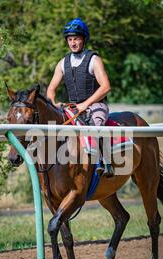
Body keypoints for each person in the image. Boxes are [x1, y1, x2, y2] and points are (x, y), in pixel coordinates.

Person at [47, 17, 114, 177]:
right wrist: (54, 103)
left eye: (76, 38)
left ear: (84, 39)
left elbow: (106, 87)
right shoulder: (62, 63)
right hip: (73, 107)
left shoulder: (94, 60)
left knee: (96, 124)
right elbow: (50, 89)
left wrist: (86, 104)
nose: (73, 43)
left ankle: (105, 163)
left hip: (96, 106)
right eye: (70, 39)